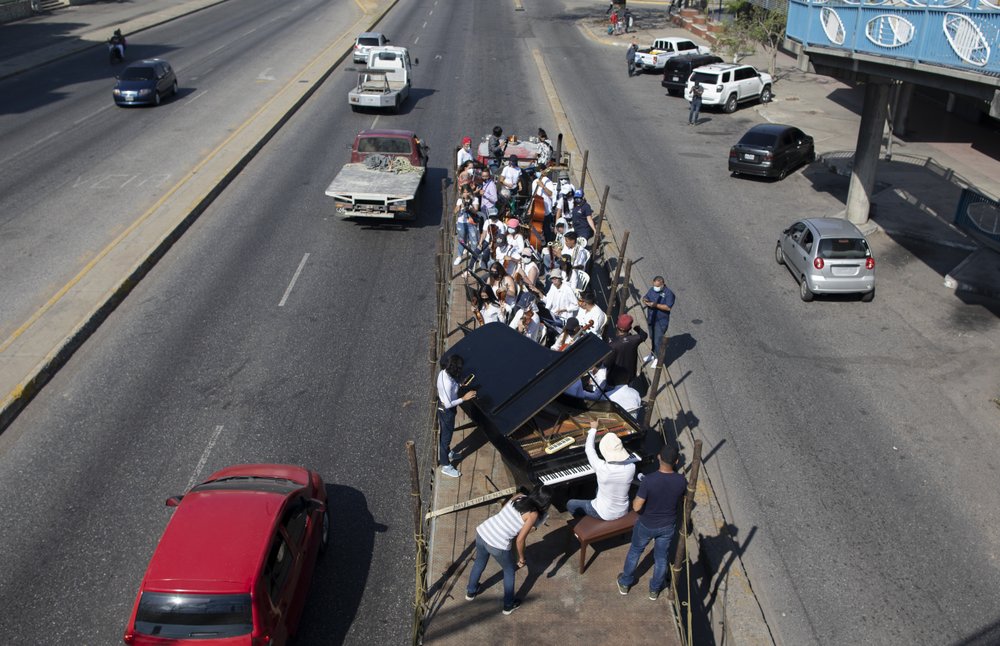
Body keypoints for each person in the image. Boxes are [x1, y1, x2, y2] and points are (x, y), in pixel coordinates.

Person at [466, 486, 552, 615]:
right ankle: (508, 605)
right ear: (545, 503)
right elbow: (520, 540)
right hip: (498, 544)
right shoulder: (533, 514)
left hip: (483, 531)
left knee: (479, 562)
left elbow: (505, 511)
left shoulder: (519, 497)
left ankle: (471, 591)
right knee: (509, 571)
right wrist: (521, 558)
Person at [617, 445, 687, 600]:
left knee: (635, 551)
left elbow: (636, 507)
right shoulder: (681, 480)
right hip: (667, 526)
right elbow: (681, 498)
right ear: (676, 461)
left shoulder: (649, 480)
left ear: (659, 457)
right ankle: (654, 590)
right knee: (661, 558)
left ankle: (625, 583)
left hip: (646, 524)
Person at [567, 422, 637, 520]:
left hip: (604, 514)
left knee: (570, 504)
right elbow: (631, 459)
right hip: (623, 510)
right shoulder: (631, 467)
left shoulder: (602, 468)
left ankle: (583, 523)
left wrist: (593, 429)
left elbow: (589, 449)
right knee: (597, 489)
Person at [437, 355, 476, 478]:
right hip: (446, 411)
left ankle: (448, 453)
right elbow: (448, 404)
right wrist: (464, 398)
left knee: (447, 435)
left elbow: (453, 387)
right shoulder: (446, 383)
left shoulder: (446, 373)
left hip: (448, 410)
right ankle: (445, 465)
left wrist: (460, 385)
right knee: (445, 439)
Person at [642, 276, 675, 369]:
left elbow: (668, 307)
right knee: (652, 337)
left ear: (662, 284)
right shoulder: (652, 289)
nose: (655, 287)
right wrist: (645, 300)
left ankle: (658, 358)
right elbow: (646, 296)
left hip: (661, 321)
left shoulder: (668, 294)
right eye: (654, 285)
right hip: (651, 318)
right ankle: (652, 354)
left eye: (657, 286)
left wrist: (655, 305)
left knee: (658, 340)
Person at [607, 314, 648, 387]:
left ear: (616, 325)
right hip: (630, 375)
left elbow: (606, 363)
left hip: (615, 378)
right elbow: (644, 335)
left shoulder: (613, 344)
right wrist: (637, 328)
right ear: (630, 328)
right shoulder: (635, 339)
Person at [453, 187, 480, 267]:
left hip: (471, 222)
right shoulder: (460, 200)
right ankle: (459, 256)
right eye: (464, 192)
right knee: (462, 240)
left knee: (474, 240)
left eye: (467, 192)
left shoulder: (475, 199)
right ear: (461, 193)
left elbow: (476, 211)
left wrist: (470, 208)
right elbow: (455, 212)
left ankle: (473, 257)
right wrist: (460, 207)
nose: (466, 194)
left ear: (470, 192)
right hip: (461, 223)